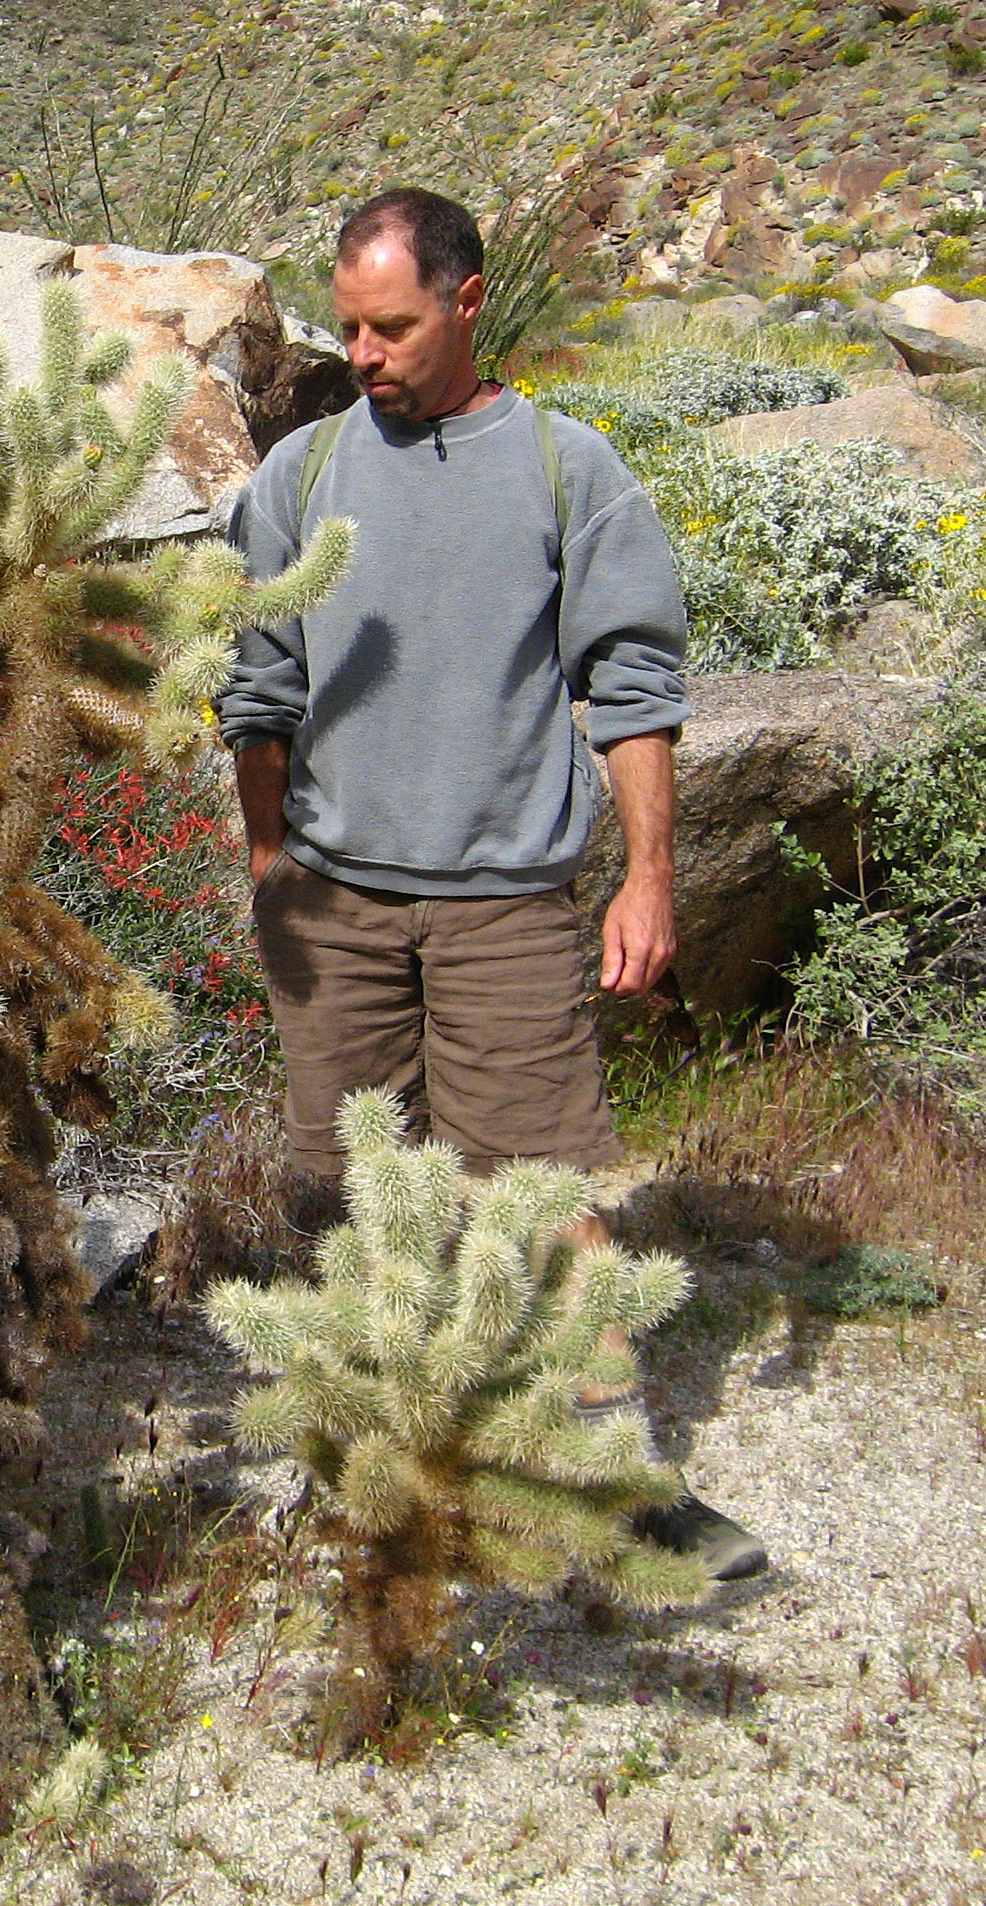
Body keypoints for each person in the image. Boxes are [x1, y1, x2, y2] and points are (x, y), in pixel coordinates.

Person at [215, 186, 765, 1581]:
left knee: (539, 1189)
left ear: (467, 300)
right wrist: (273, 867)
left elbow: (632, 688)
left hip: (506, 903)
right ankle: (361, 1463)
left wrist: (648, 877)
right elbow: (258, 692)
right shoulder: (301, 479)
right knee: (339, 1188)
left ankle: (620, 1474)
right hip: (334, 897)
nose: (365, 353)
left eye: (391, 325)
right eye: (346, 325)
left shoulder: (571, 471)